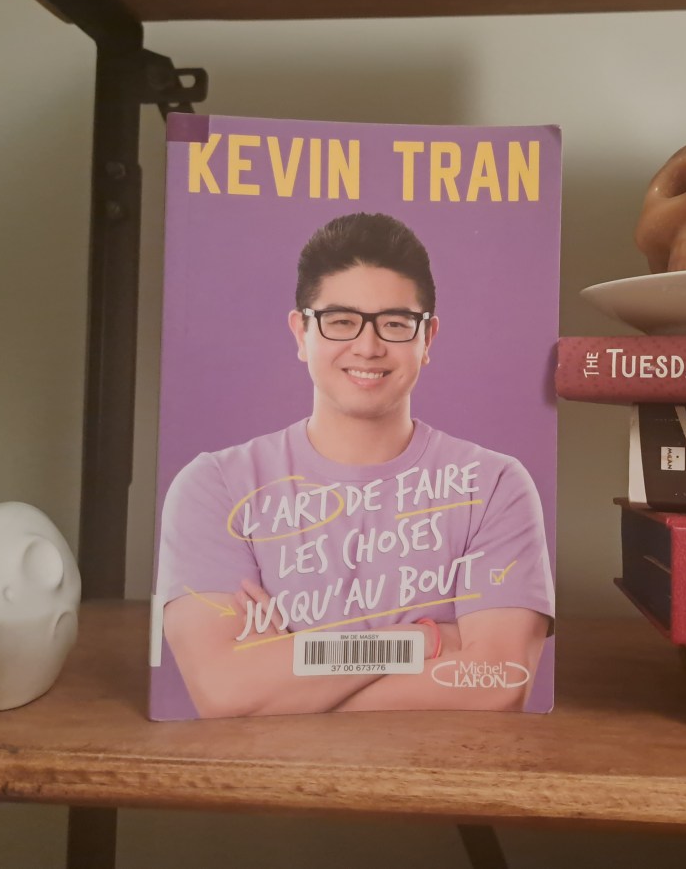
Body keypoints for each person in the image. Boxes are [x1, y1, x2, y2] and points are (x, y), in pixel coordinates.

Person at [156, 212, 554, 717]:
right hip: (269, 770)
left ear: (427, 339)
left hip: (442, 765)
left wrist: (285, 679)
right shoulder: (215, 486)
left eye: (395, 323)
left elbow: (498, 684)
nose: (368, 347)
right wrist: (423, 641)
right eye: (341, 321)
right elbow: (223, 691)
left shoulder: (494, 485)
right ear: (301, 333)